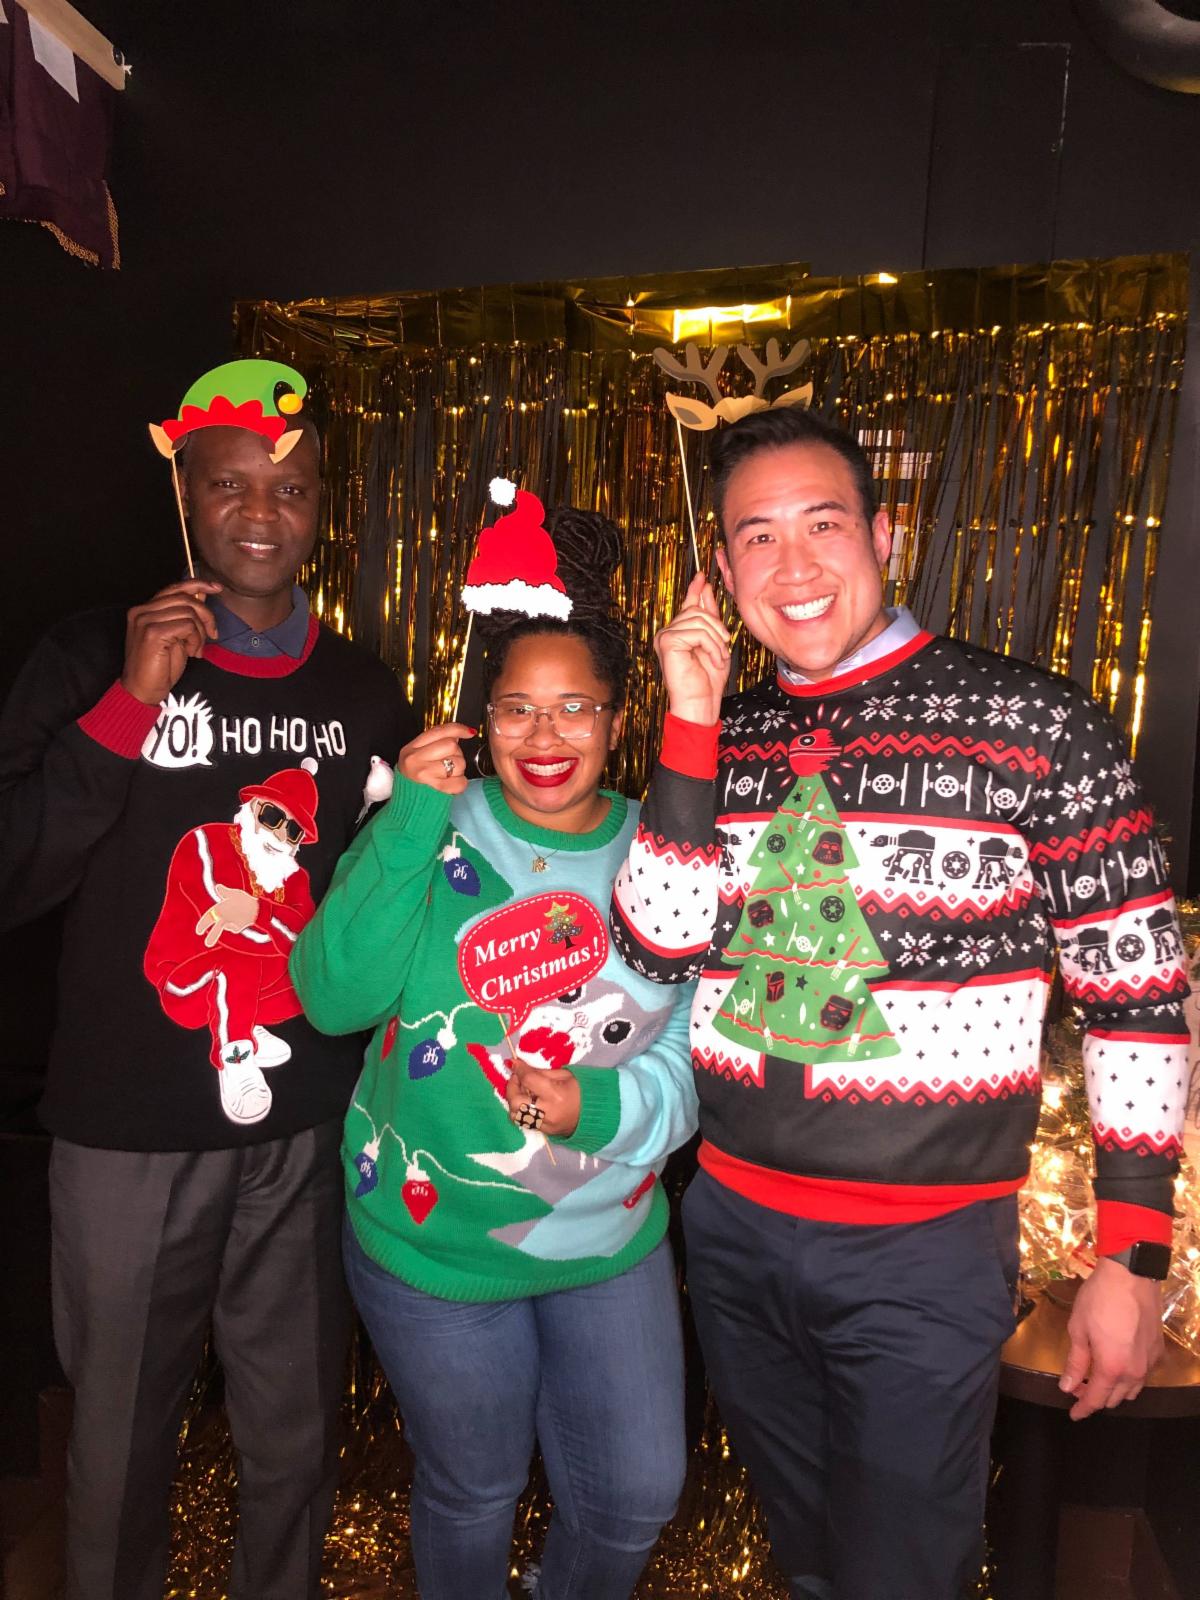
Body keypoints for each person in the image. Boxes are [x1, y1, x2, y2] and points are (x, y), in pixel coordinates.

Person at [610, 404, 1189, 1600]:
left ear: (885, 535)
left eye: (823, 524)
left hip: (923, 1254)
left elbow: (1135, 994)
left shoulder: (1039, 726)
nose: (794, 565)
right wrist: (691, 725)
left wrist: (1133, 1257)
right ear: (722, 569)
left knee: (903, 1573)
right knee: (809, 1555)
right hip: (732, 1231)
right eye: (758, 537)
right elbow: (658, 947)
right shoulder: (721, 736)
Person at [0, 360, 416, 1600]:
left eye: (290, 487)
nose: (260, 511)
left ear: (322, 505)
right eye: (229, 484)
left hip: (304, 1124)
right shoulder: (91, 656)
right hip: (127, 1135)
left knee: (296, 1437)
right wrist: (128, 707)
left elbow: (389, 901)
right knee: (120, 1441)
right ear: (183, 495)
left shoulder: (361, 691)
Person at [290, 506, 697, 1600]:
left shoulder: (664, 853)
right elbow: (331, 998)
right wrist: (411, 824)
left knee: (635, 1495)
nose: (544, 733)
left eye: (575, 707)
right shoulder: (430, 821)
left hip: (606, 1239)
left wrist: (594, 1113)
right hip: (432, 1244)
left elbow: (694, 1063)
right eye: (517, 707)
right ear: (484, 718)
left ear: (619, 720)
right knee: (472, 1489)